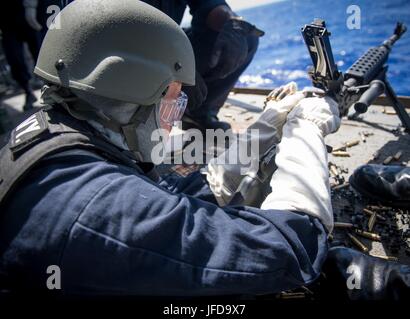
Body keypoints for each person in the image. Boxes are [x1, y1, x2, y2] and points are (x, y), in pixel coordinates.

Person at [0, 0, 340, 295]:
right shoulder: (103, 207)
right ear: (131, 99)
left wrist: (265, 128)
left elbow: (187, 194)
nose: (173, 122)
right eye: (171, 104)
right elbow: (290, 249)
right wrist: (306, 128)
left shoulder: (64, 133)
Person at [61, 0, 264, 132]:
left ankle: (197, 114)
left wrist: (232, 23)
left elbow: (209, 5)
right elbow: (100, 28)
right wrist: (172, 67)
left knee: (247, 40)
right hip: (110, 51)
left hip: (164, 44)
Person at [0, 0, 42, 110]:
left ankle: (52, 86)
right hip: (5, 20)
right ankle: (28, 91)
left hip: (24, 10)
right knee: (14, 59)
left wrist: (31, 6)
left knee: (40, 52)